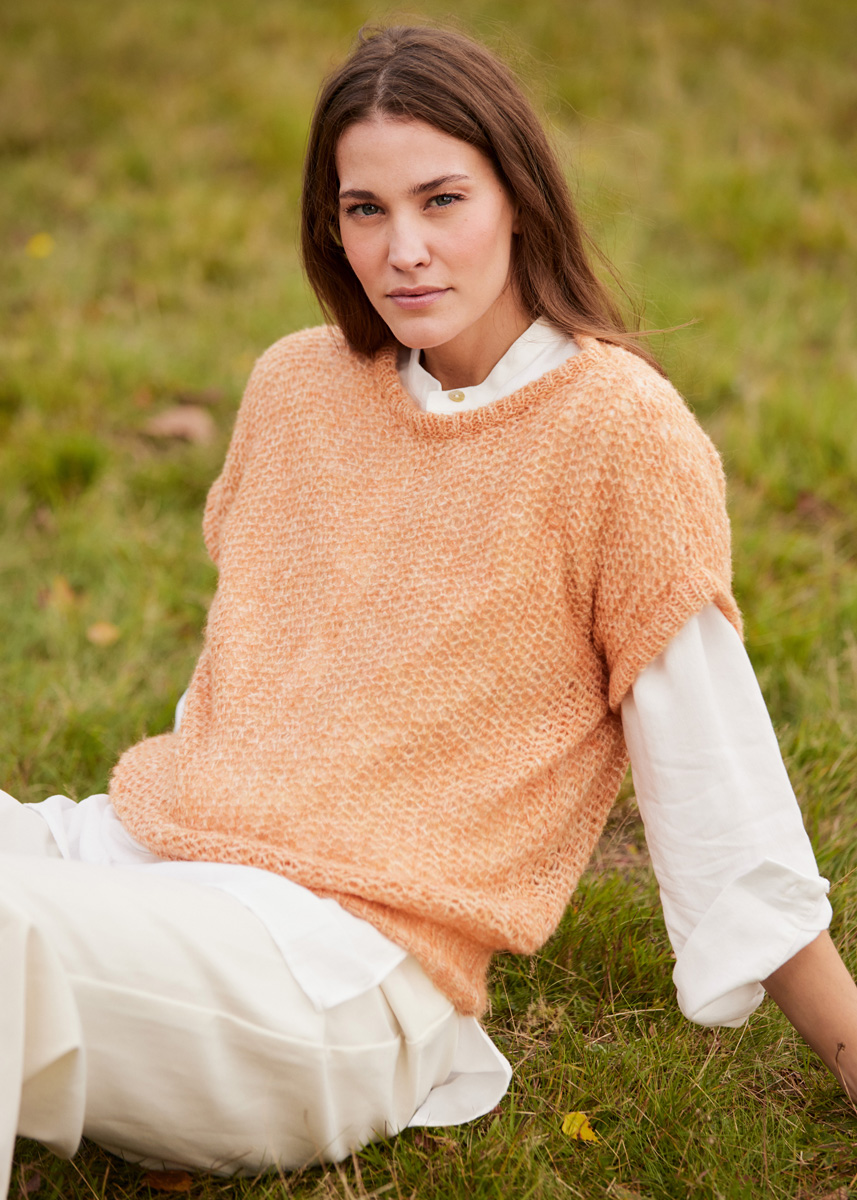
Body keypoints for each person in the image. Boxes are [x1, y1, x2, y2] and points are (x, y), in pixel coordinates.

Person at [3, 22, 857, 1195]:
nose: (401, 250)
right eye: (364, 210)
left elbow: (718, 782)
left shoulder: (616, 435)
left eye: (441, 200)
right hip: (155, 863)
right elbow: (248, 675)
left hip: (338, 973)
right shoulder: (295, 386)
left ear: (518, 200)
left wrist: (845, 1043)